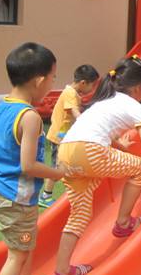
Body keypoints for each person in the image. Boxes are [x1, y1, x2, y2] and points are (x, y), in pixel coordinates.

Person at [52, 55, 141, 275]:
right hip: (89, 151)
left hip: (65, 153)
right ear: (138, 88)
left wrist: (119, 144)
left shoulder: (103, 102)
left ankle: (61, 271)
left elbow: (95, 129)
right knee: (140, 167)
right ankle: (123, 223)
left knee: (79, 215)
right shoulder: (135, 107)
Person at [0, 42, 76, 275]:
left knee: (28, 238)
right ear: (38, 80)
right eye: (52, 78)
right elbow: (28, 166)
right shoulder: (31, 117)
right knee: (18, 252)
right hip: (14, 197)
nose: (52, 84)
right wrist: (59, 173)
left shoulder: (5, 104)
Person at [39, 64, 100, 208]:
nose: (92, 89)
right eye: (92, 85)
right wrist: (85, 122)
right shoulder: (70, 93)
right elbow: (74, 111)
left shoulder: (72, 93)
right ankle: (45, 196)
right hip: (59, 138)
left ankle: (70, 191)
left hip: (64, 137)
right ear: (83, 83)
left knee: (68, 165)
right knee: (57, 168)